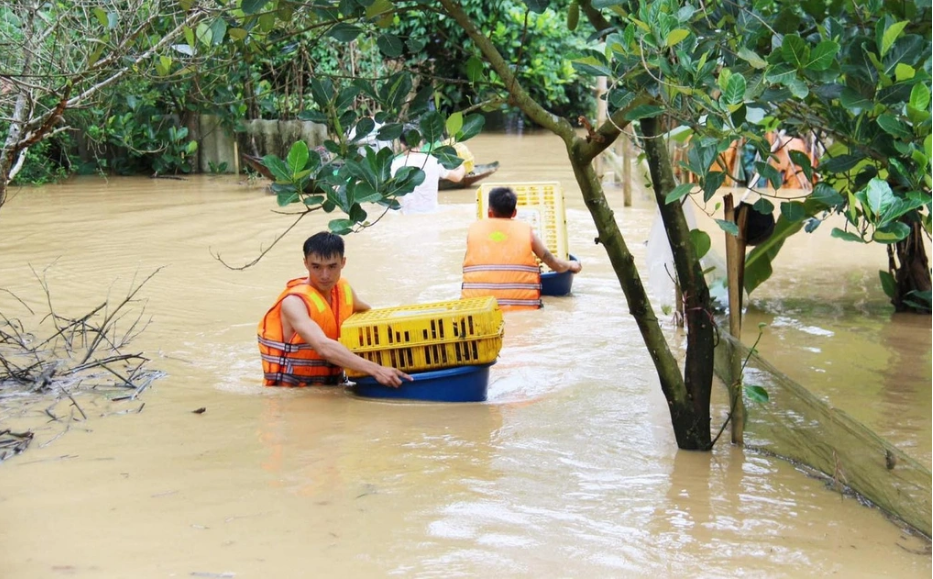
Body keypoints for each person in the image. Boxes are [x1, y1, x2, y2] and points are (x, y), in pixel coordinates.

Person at [258, 232, 412, 387]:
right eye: (316, 267)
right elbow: (323, 347)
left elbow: (369, 319)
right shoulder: (294, 302)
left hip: (333, 386)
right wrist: (377, 370)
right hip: (293, 394)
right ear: (305, 263)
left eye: (332, 266)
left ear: (343, 262)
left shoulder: (344, 291)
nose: (325, 275)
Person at [462, 187, 582, 310]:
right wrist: (570, 265)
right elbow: (553, 263)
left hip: (478, 310)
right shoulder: (526, 231)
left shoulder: (473, 231)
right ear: (514, 213)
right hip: (520, 309)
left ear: (489, 212)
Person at [390, 128, 466, 214]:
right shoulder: (434, 161)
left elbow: (388, 189)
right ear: (421, 143)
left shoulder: (396, 164)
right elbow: (457, 177)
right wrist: (462, 165)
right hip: (432, 213)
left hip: (408, 215)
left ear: (402, 145)